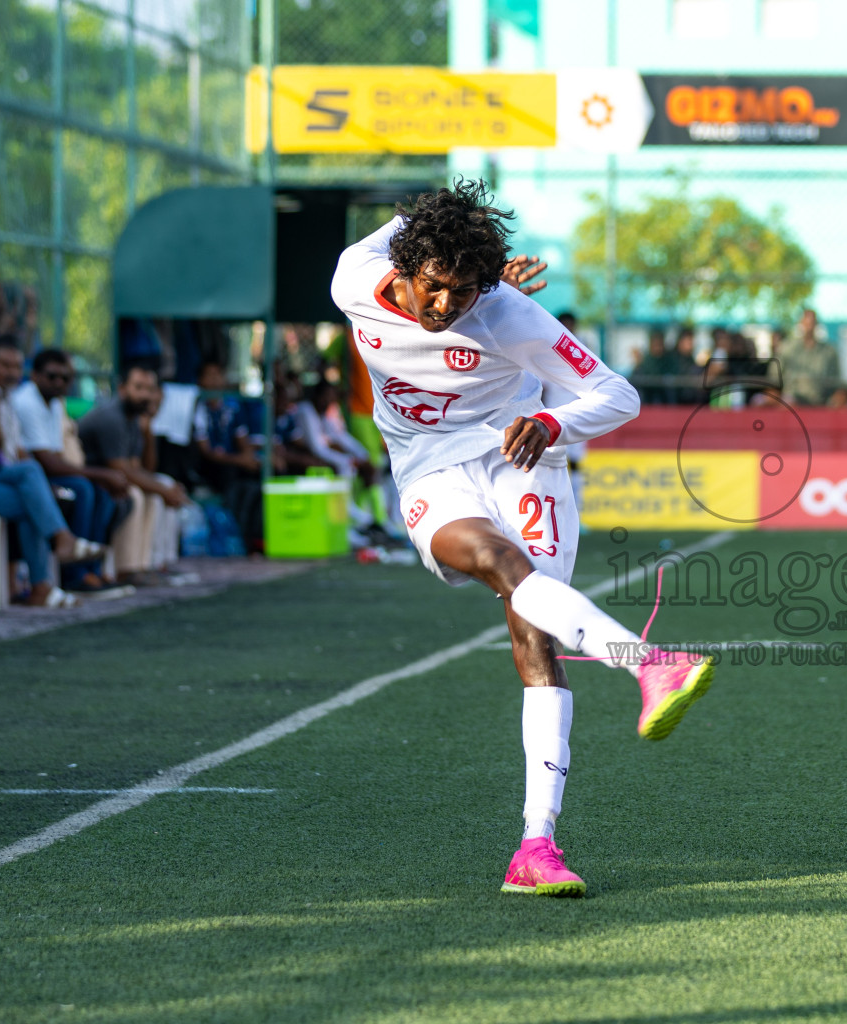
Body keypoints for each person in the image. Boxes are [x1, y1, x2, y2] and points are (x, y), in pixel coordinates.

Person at [329, 179, 715, 898]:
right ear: (408, 268)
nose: (447, 306)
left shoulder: (509, 314)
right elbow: (412, 217)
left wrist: (552, 422)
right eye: (437, 287)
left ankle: (536, 846)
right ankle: (648, 662)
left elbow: (616, 393)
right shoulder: (354, 275)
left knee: (533, 636)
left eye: (466, 290)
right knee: (502, 565)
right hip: (427, 472)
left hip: (520, 457)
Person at [8, 348, 131, 592]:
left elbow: (54, 456)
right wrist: (103, 473)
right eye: (52, 376)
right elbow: (46, 462)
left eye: (65, 378)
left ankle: (92, 570)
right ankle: (73, 574)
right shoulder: (26, 401)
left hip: (38, 473)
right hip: (28, 475)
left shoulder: (54, 403)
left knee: (102, 493)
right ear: (34, 376)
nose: (59, 383)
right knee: (84, 489)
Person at [0, 349, 105, 607]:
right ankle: (62, 542)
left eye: (16, 366)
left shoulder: (6, 399)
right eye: (3, 365)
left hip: (3, 479)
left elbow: (16, 452)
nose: (11, 373)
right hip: (0, 477)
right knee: (32, 476)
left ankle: (42, 586)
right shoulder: (9, 399)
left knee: (33, 496)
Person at [78, 365, 190, 585]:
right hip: (91, 477)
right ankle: (126, 569)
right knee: (138, 495)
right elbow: (120, 467)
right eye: (138, 388)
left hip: (111, 477)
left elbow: (143, 468)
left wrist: (148, 430)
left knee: (155, 489)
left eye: (150, 389)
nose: (145, 395)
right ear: (122, 389)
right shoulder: (112, 417)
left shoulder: (134, 419)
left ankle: (145, 564)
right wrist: (163, 490)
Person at [192, 360, 263, 545]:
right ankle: (235, 536)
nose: (215, 380)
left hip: (233, 461)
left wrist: (250, 458)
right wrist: (241, 460)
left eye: (218, 375)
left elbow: (243, 441)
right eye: (210, 375)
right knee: (230, 476)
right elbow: (207, 451)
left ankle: (255, 536)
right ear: (201, 381)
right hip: (211, 466)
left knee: (260, 472)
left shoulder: (232, 406)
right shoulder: (198, 407)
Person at [777, 308, 847, 407]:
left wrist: (838, 397)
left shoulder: (829, 351)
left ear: (817, 324)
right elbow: (774, 379)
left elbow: (836, 381)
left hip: (821, 401)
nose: (809, 326)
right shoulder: (787, 348)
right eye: (806, 322)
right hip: (792, 401)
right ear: (800, 323)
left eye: (812, 322)